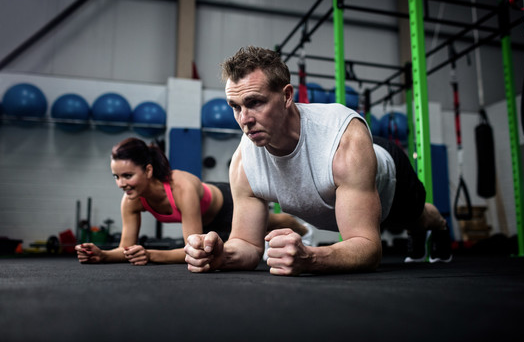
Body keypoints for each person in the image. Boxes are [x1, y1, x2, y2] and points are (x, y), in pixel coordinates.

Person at [184, 46, 452, 275]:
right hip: (346, 179)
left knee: (414, 218)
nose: (244, 119)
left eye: (255, 102)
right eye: (236, 106)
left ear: (287, 96)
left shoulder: (343, 138)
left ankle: (438, 225)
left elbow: (368, 247)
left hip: (387, 177)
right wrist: (221, 255)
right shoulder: (244, 162)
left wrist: (310, 258)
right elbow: (247, 244)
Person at [76, 137, 310, 265]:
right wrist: (103, 254)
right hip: (205, 227)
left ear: (148, 171)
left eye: (128, 175)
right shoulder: (131, 201)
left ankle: (305, 229)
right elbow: (126, 247)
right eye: (116, 177)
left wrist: (152, 254)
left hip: (227, 204)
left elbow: (192, 247)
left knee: (272, 221)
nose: (121, 183)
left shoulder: (181, 186)